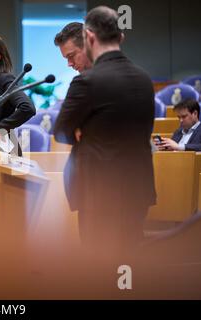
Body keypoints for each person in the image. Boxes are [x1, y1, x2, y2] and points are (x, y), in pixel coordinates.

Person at [53, 6, 156, 255]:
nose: (70, 64)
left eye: (72, 55)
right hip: (137, 188)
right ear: (120, 37)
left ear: (89, 37)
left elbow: (61, 131)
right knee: (129, 258)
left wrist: (81, 129)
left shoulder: (87, 82)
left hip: (99, 192)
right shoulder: (144, 78)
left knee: (99, 264)